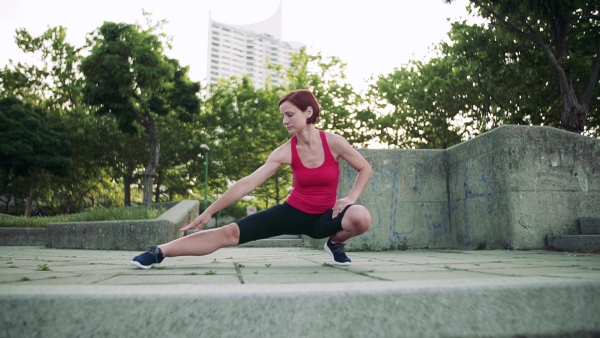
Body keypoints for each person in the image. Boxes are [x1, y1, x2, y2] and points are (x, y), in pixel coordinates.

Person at [131, 89, 372, 269]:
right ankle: (159, 252)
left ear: (308, 112)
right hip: (292, 212)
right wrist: (209, 211)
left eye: (289, 114)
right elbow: (247, 183)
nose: (284, 121)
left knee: (360, 216)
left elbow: (365, 168)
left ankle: (335, 243)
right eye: (282, 116)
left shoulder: (334, 142)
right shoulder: (284, 152)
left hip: (325, 217)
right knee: (229, 233)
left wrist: (351, 197)